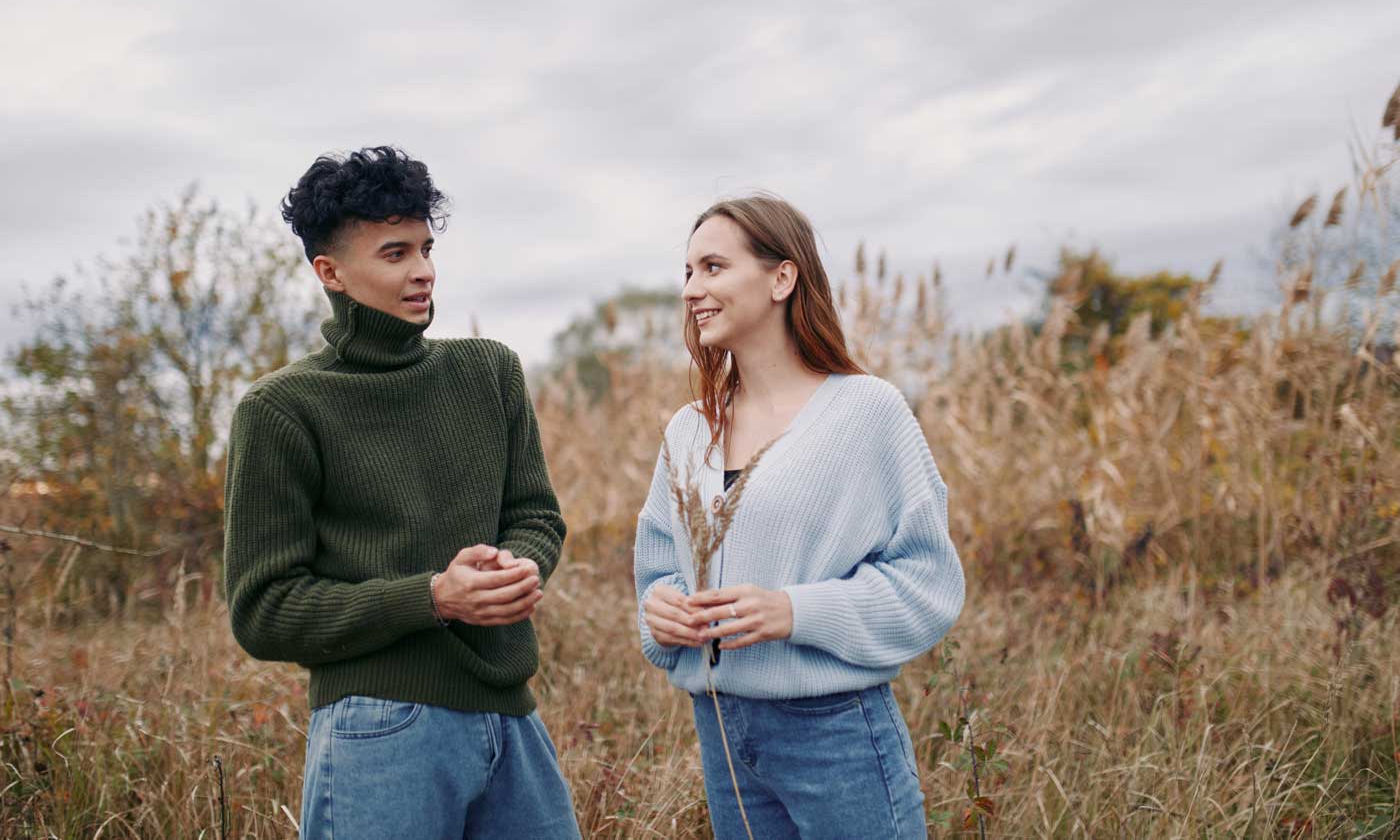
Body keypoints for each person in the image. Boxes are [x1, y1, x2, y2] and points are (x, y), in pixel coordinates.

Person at [223, 146, 580, 839]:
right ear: (331, 272)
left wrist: (521, 564)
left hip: (512, 715)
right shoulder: (281, 409)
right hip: (380, 727)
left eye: (425, 247)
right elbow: (262, 609)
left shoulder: (489, 371)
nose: (422, 270)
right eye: (394, 253)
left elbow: (535, 515)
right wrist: (434, 597)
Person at [634, 194, 965, 839]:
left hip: (833, 733)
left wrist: (795, 611)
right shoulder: (688, 430)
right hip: (723, 733)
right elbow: (655, 572)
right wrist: (663, 609)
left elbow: (929, 585)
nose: (691, 291)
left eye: (713, 268)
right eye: (688, 273)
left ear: (781, 278)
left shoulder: (868, 413)